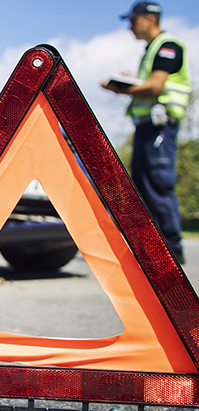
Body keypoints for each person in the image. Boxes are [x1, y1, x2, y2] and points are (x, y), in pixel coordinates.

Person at [102, 1, 192, 264]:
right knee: (143, 185)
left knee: (157, 183)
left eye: (133, 20)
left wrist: (122, 89)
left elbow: (155, 87)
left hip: (159, 127)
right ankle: (153, 249)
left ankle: (172, 250)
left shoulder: (167, 46)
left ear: (149, 19)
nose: (130, 26)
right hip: (147, 127)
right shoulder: (151, 50)